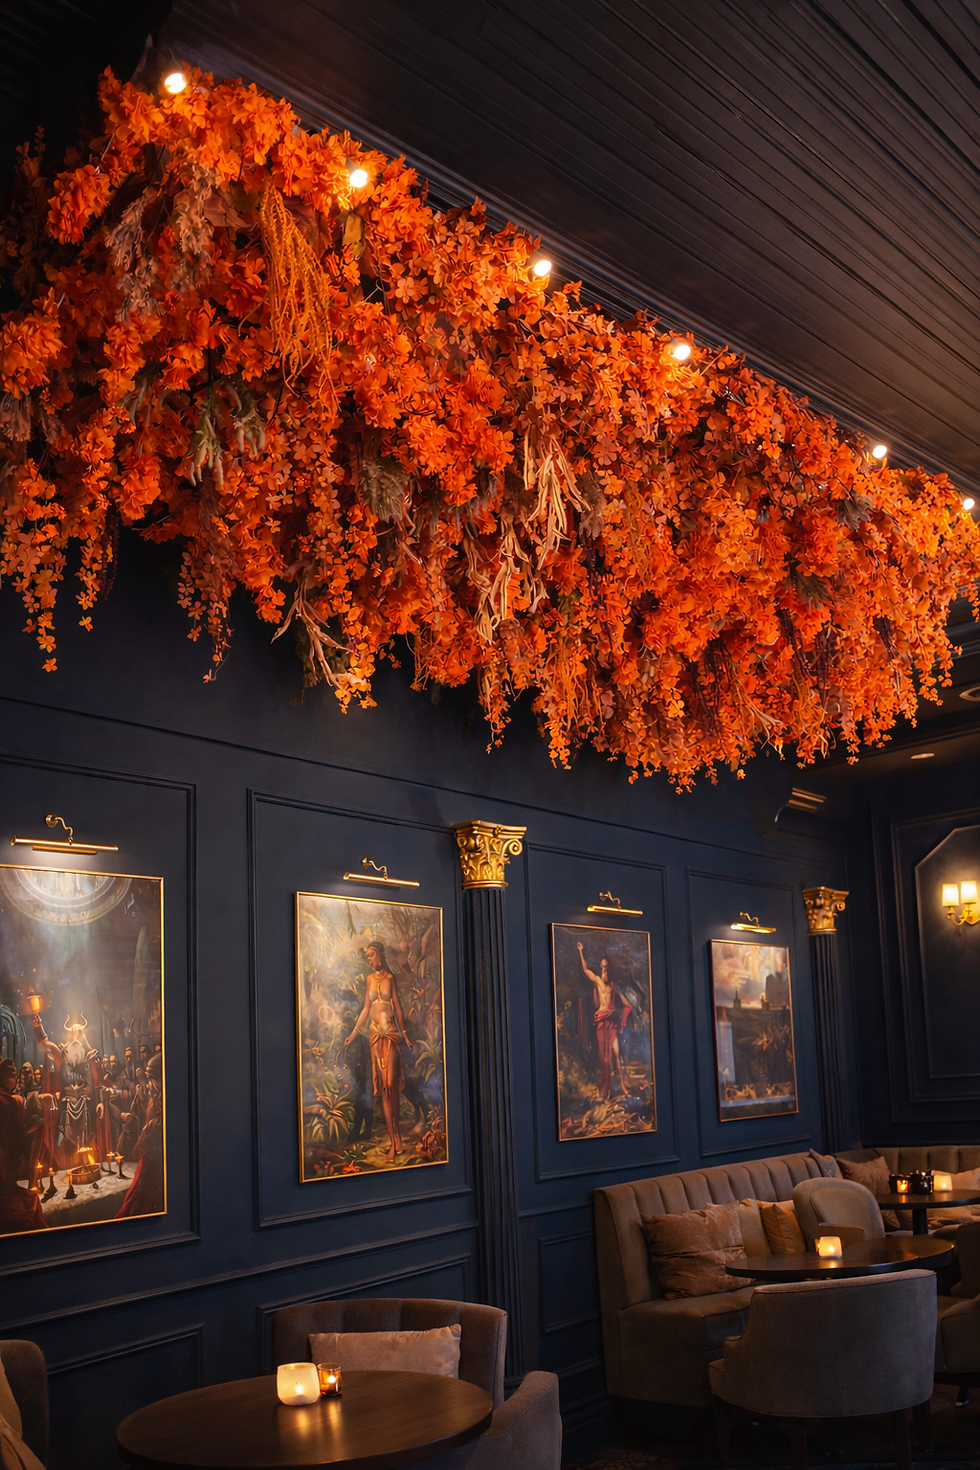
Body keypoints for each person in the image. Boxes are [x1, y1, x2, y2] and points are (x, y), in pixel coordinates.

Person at [345, 941, 412, 1163]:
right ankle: (394, 1143)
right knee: (383, 1089)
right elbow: (366, 1008)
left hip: (390, 1036)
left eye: (371, 955)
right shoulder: (369, 980)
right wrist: (354, 1034)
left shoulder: (390, 979)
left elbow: (397, 1007)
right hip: (375, 1038)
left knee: (392, 1087)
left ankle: (398, 1139)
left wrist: (404, 1032)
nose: (369, 959)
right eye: (367, 956)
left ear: (379, 955)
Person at [576, 942, 631, 1100]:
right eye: (602, 967)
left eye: (606, 967)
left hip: (611, 1021)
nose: (604, 970)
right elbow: (586, 970)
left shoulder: (613, 987)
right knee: (603, 1056)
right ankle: (605, 1086)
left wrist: (620, 1015)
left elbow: (627, 1005)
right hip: (601, 1020)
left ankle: (619, 1085)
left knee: (615, 1054)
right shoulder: (598, 982)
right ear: (600, 967)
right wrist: (581, 952)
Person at [0, 1059, 45, 1232]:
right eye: (9, 1072)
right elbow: (16, 1136)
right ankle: (31, 1178)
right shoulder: (9, 1101)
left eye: (15, 1073)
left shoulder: (12, 1098)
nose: (14, 1076)